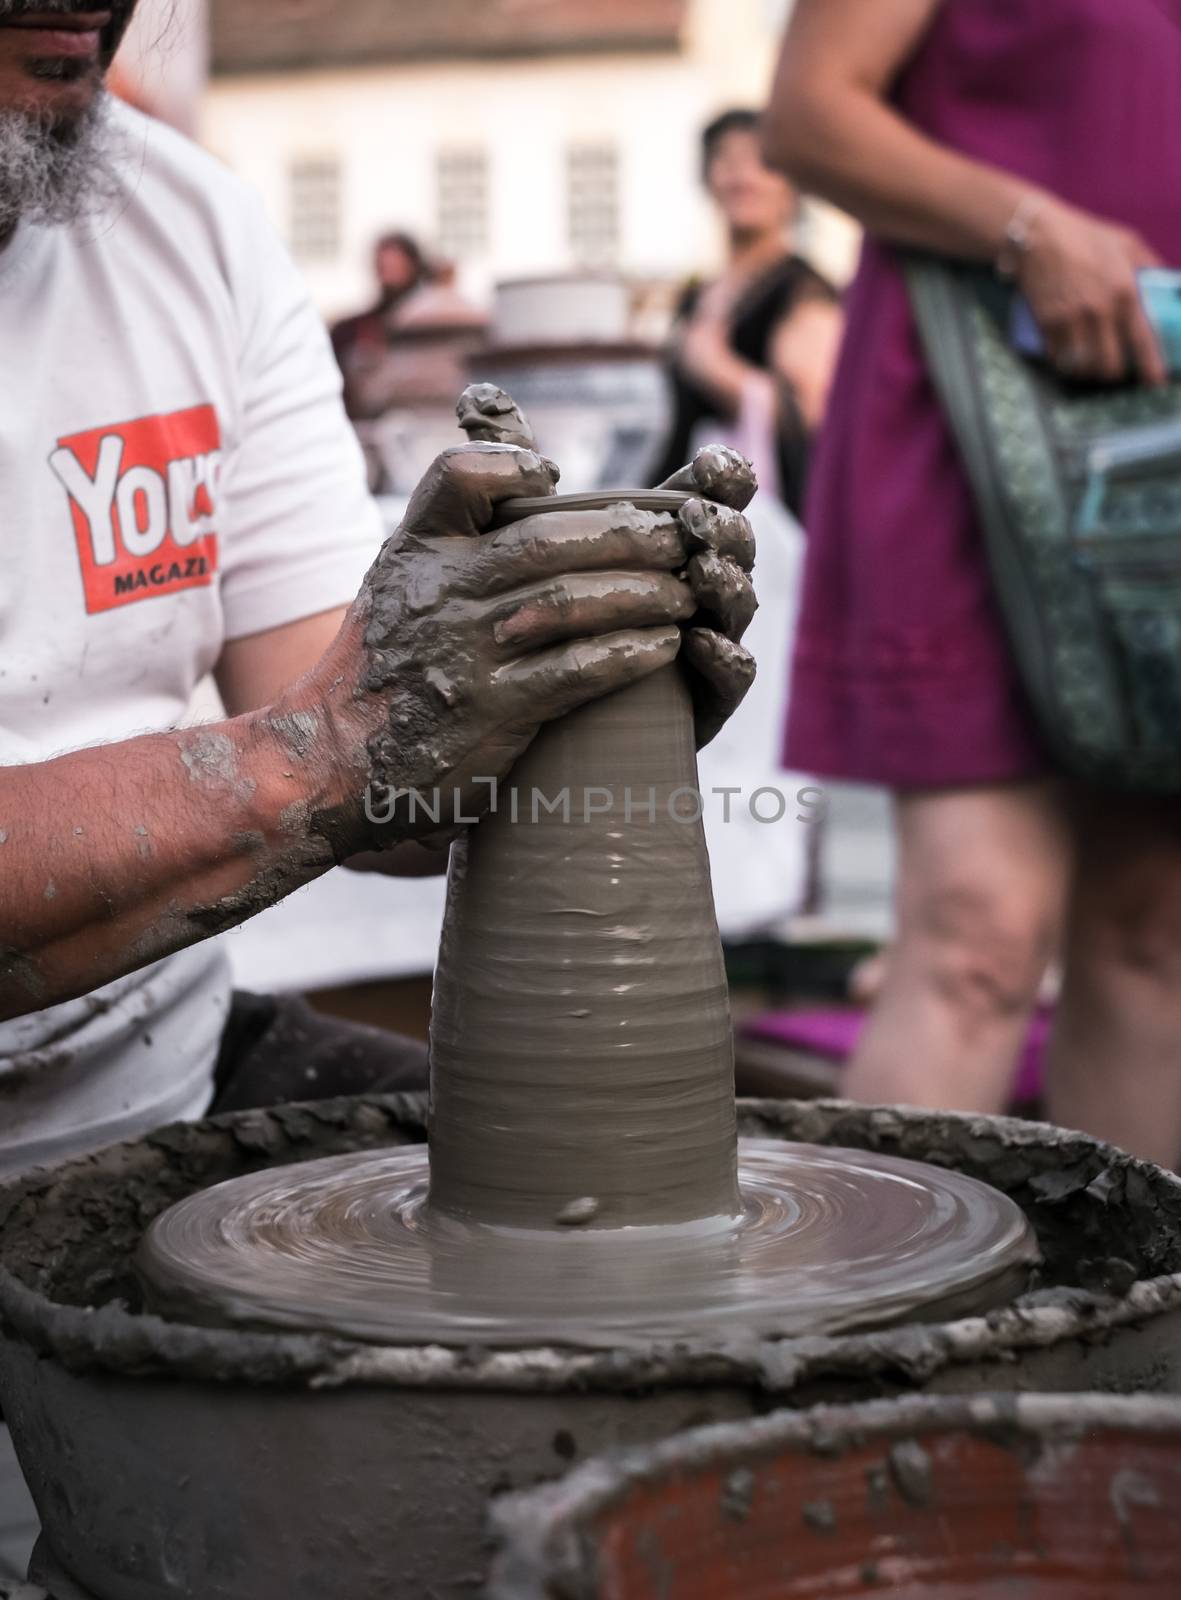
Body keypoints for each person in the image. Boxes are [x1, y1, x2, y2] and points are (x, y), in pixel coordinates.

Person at [0, 0, 758, 1179]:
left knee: (607, 1202)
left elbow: (365, 755)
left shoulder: (189, 226)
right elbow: (320, 749)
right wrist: (317, 753)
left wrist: (538, 689)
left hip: (152, 1057)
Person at [765, 0, 1181, 1166]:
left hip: (1166, 429)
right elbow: (807, 114)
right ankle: (870, 1343)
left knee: (1155, 926)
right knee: (972, 938)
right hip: (972, 410)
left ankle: (1131, 1334)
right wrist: (1029, 228)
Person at [652, 108, 843, 520]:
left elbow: (815, 419)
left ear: (792, 185)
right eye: (726, 159)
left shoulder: (803, 290)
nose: (743, 176)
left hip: (761, 529)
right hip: (684, 518)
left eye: (763, 161)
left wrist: (718, 369)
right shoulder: (694, 296)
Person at [330, 230, 426, 415]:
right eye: (384, 267)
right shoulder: (355, 329)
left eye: (396, 266)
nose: (388, 274)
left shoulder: (429, 323)